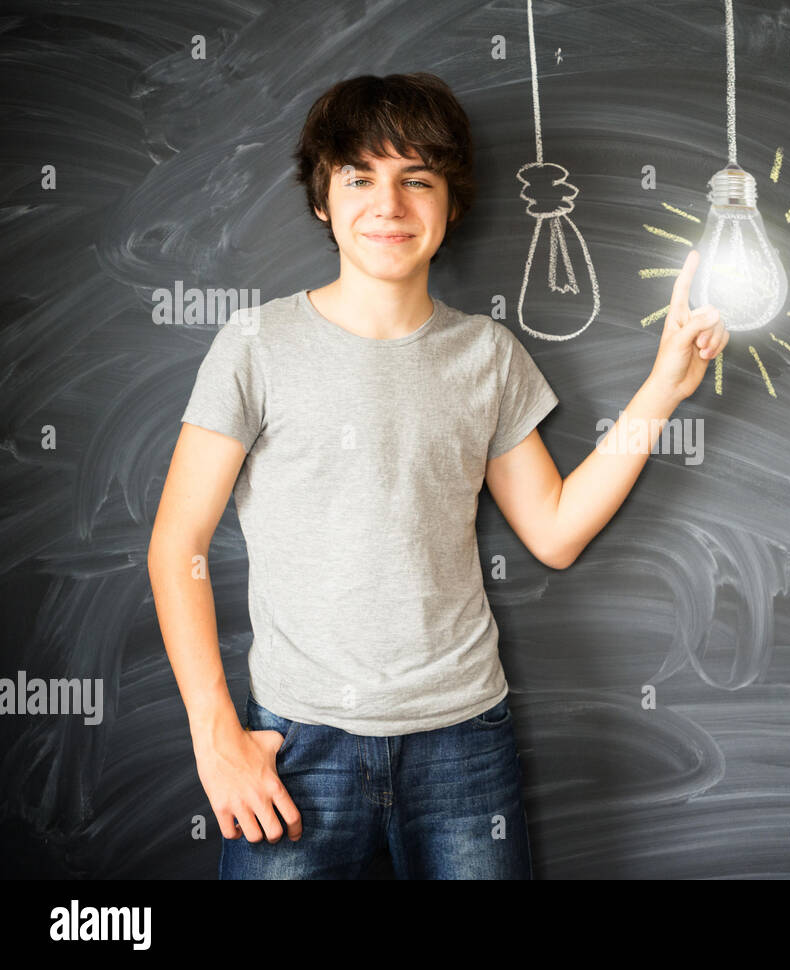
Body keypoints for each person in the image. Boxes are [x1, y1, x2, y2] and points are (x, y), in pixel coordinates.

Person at [147, 72, 727, 879]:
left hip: (462, 744)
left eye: (417, 179)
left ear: (452, 203)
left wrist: (662, 389)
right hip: (294, 746)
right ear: (323, 200)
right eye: (361, 177)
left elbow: (554, 532)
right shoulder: (256, 346)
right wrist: (216, 738)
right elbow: (178, 547)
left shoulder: (487, 355)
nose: (389, 204)